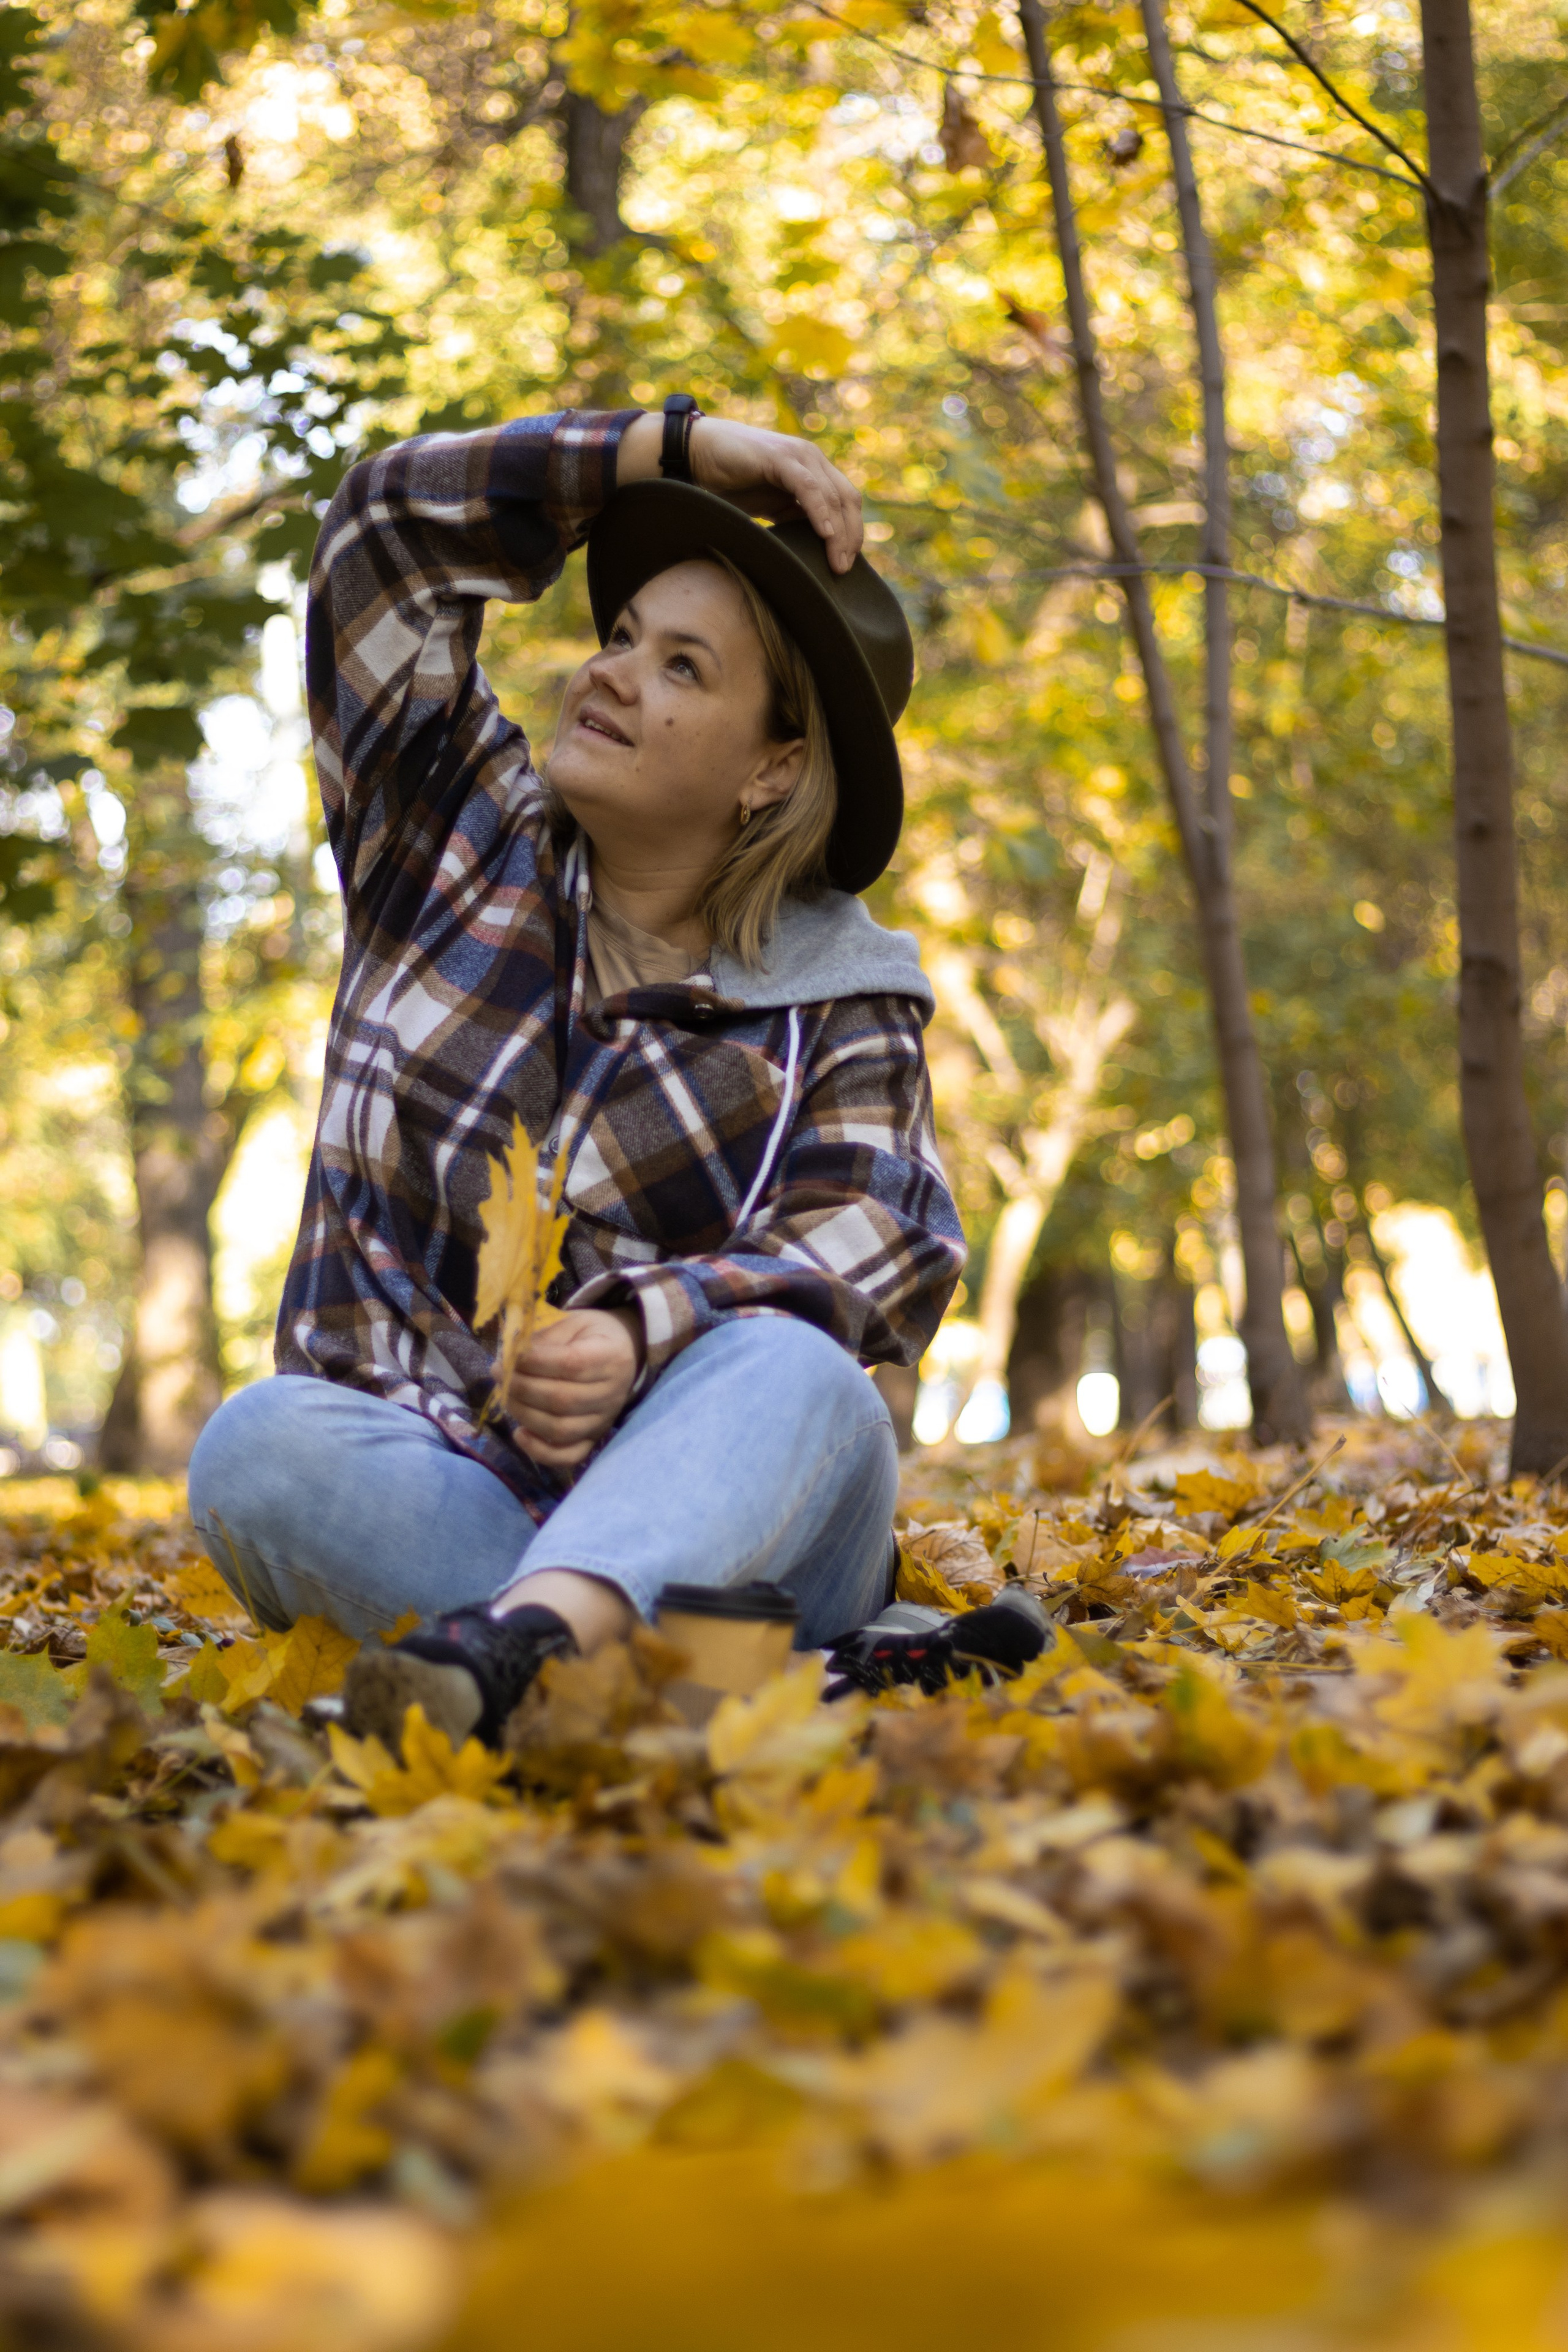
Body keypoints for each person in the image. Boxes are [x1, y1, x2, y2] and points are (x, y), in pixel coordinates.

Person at [189, 393, 1028, 1754]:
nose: (611, 673)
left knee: (802, 1371)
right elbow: (382, 538)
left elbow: (879, 1242)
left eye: (683, 668)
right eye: (621, 636)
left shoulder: (841, 998)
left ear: (776, 767)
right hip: (443, 1495)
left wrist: (652, 1324)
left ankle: (540, 1651)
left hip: (741, 1536)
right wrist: (679, 449)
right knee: (256, 1448)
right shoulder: (445, 839)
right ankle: (750, 1687)